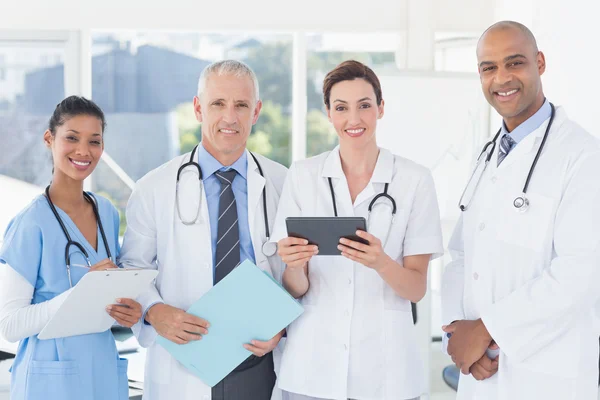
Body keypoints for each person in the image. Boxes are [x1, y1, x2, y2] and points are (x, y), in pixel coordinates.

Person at [441, 21, 600, 400]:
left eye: (514, 63)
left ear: (539, 63)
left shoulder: (582, 156)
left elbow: (581, 271)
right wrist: (458, 330)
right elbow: (462, 255)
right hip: (481, 373)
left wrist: (486, 331)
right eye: (488, 67)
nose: (502, 78)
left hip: (546, 376)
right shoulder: (488, 155)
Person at [272, 60, 444, 400]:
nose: (354, 119)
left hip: (387, 374)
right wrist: (294, 265)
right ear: (328, 113)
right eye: (341, 108)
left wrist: (381, 261)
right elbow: (295, 288)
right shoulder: (304, 176)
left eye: (364, 105)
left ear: (380, 108)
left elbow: (415, 289)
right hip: (312, 372)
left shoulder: (414, 180)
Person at [118, 60, 288, 400]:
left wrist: (282, 329)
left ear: (256, 112)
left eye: (241, 105)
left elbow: (298, 271)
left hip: (258, 363)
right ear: (198, 108)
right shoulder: (154, 187)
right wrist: (156, 311)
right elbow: (132, 269)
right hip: (183, 361)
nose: (230, 117)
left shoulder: (283, 183)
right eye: (218, 104)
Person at [0, 96, 143, 400]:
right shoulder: (30, 223)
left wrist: (125, 313)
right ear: (49, 139)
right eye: (72, 138)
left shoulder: (107, 211)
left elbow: (104, 301)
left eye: (94, 141)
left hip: (101, 370)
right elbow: (11, 325)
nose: (83, 151)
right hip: (49, 379)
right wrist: (81, 294)